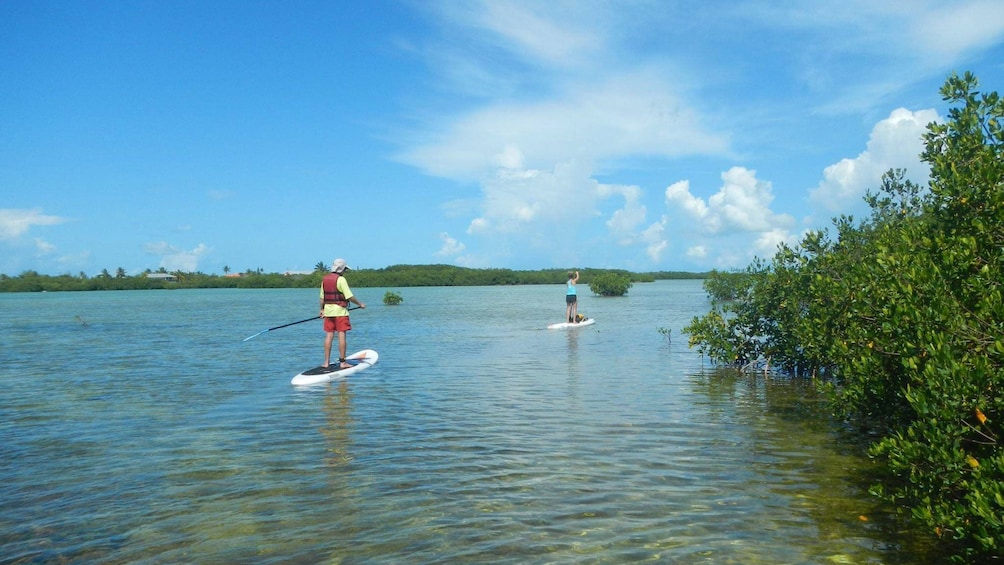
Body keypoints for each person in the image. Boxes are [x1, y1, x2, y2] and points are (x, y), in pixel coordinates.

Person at [320, 258, 366, 369]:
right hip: (340, 312)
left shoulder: (325, 279)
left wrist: (321, 310)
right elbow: (349, 296)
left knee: (329, 335)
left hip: (328, 311)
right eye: (345, 269)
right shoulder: (341, 280)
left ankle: (326, 362)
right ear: (342, 269)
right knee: (341, 335)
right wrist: (360, 304)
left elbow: (322, 297)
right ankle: (343, 362)